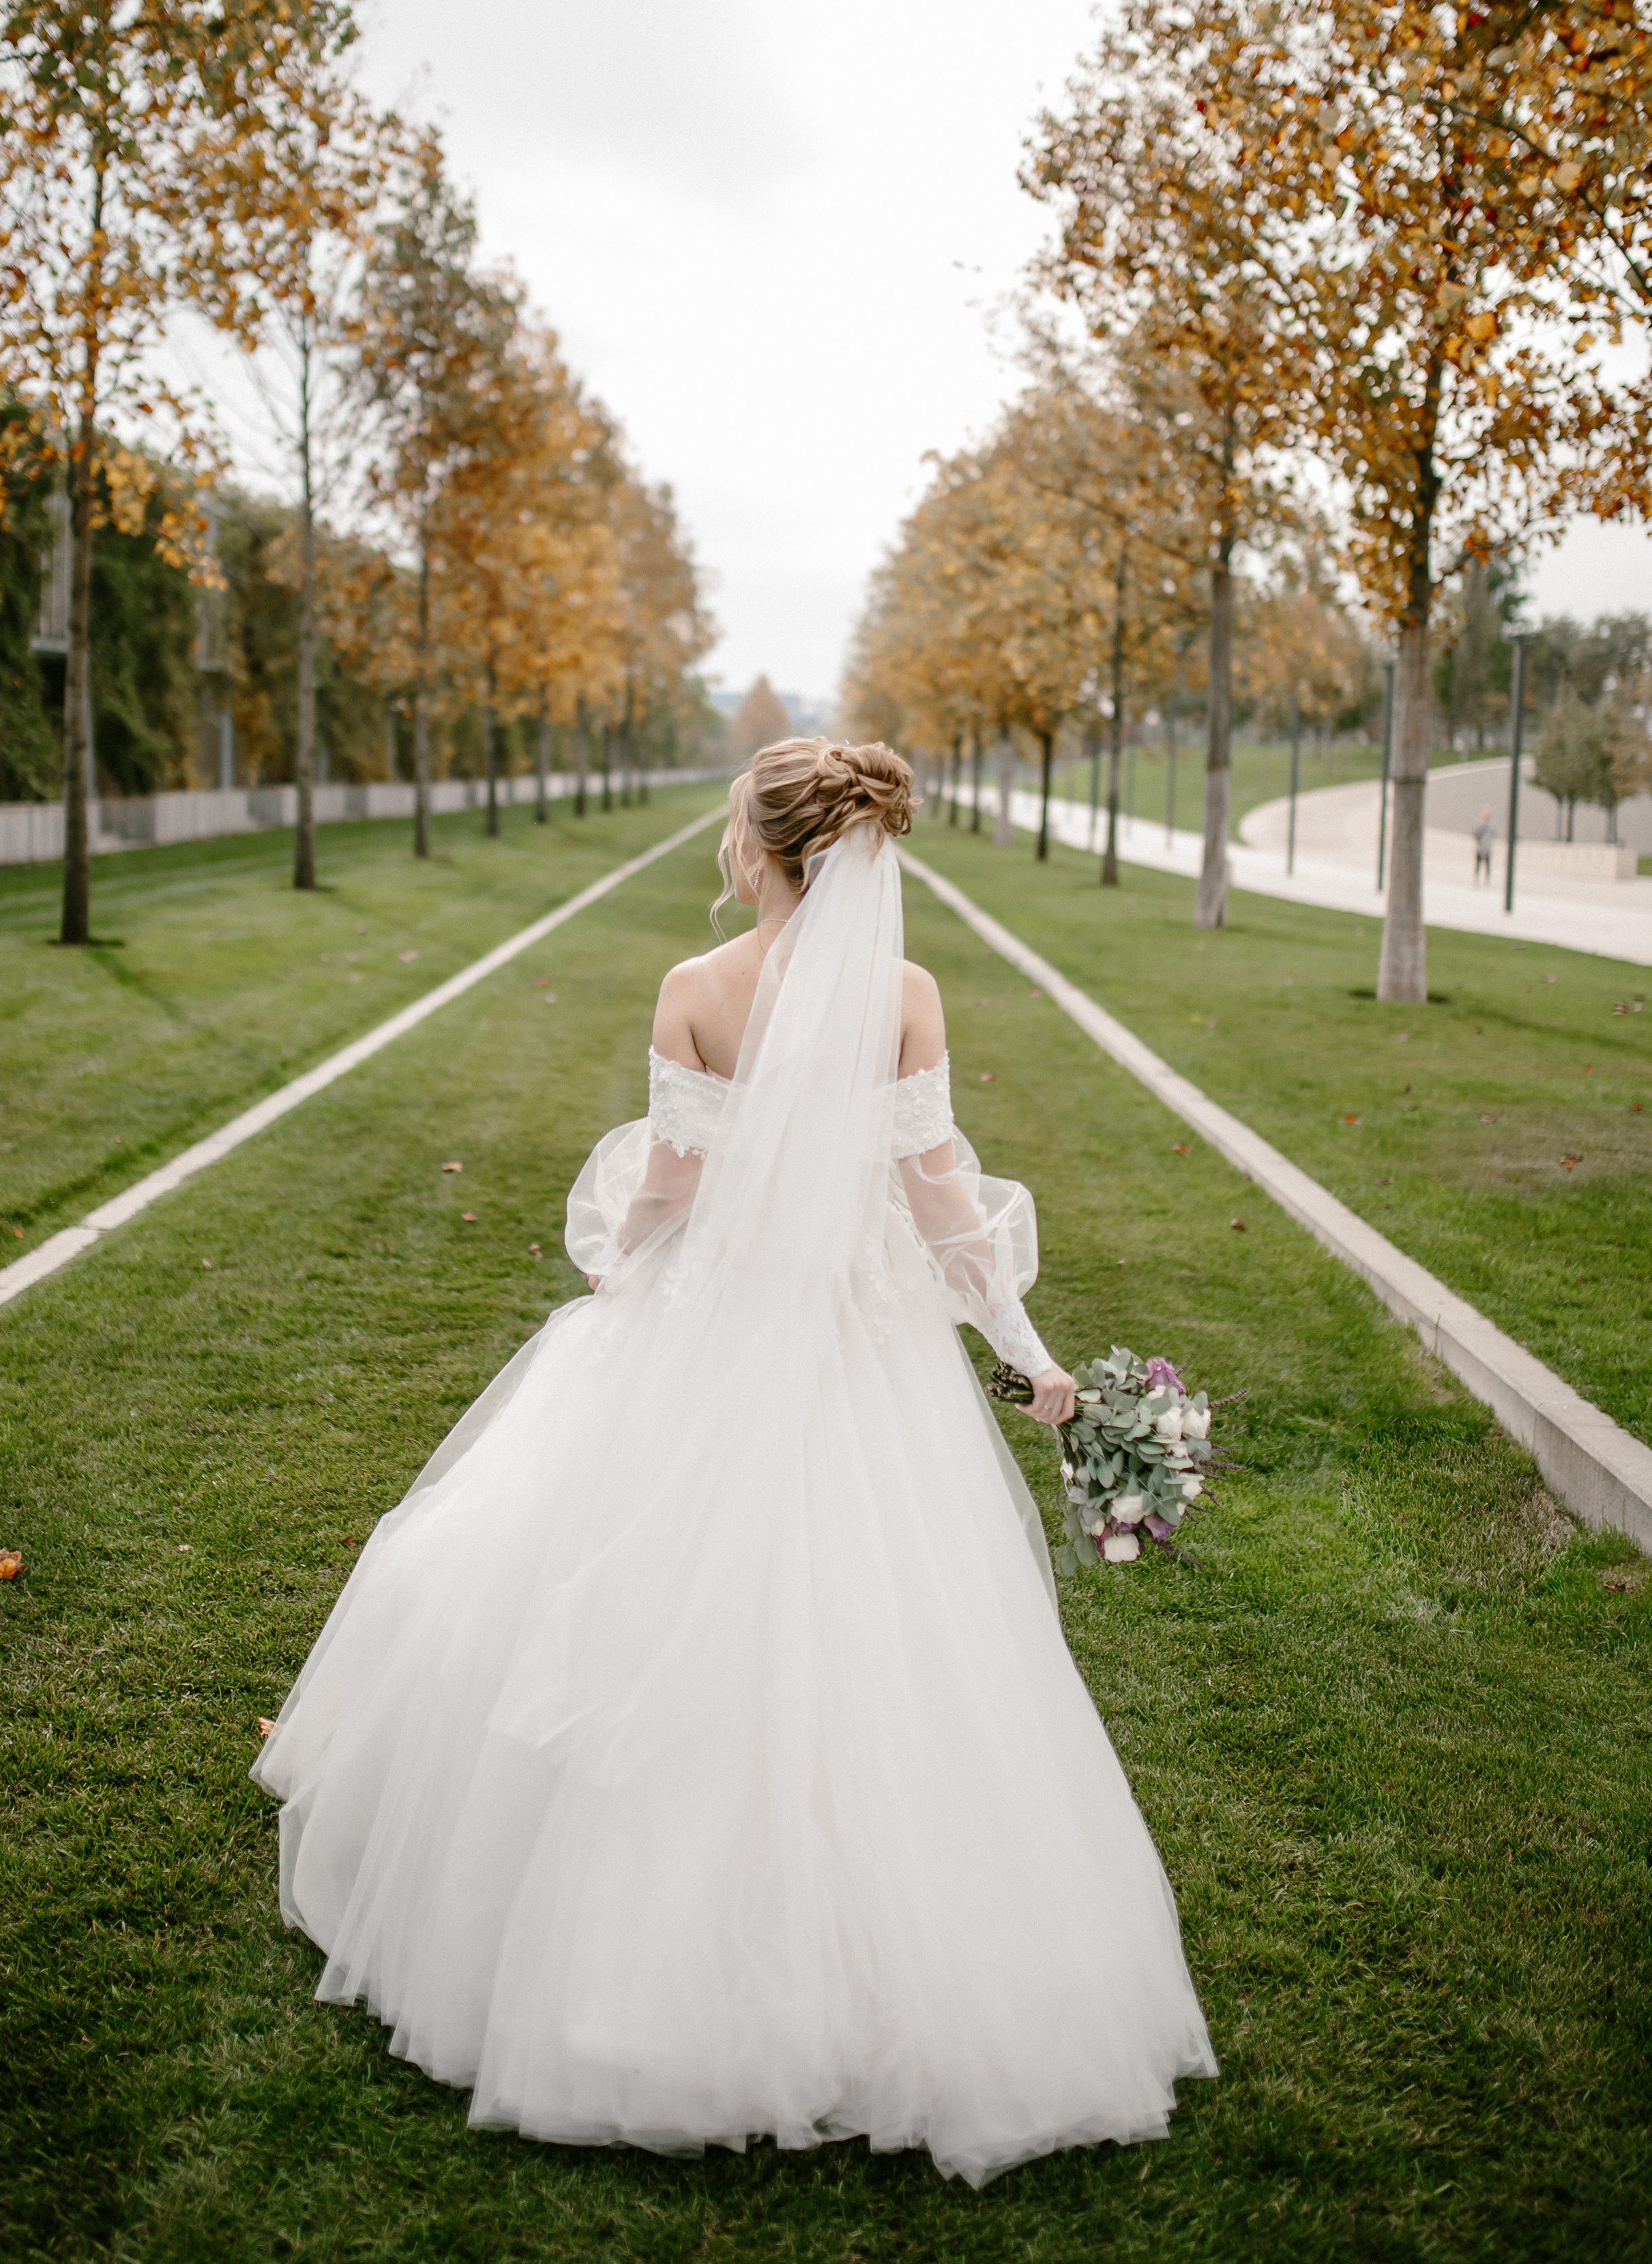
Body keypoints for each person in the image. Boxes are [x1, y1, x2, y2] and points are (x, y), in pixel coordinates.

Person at [253, 738, 1215, 2186]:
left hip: (708, 1341)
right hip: (859, 1353)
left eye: (730, 825)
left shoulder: (694, 993)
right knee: (892, 1642)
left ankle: (620, 1974)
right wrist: (1025, 1354)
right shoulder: (905, 998)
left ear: (763, 848)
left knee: (616, 1603)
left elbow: (671, 1189)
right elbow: (941, 1200)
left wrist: (611, 1272)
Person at [1474, 806, 1496, 883]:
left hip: (1485, 848)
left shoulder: (1488, 827)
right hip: (1483, 848)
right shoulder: (1484, 827)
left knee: (1485, 865)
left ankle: (1486, 879)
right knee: (1481, 865)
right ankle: (1479, 878)